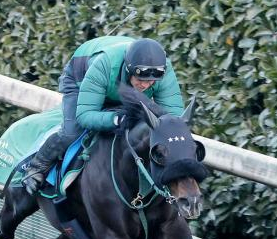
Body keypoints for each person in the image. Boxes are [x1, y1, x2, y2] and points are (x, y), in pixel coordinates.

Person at [21, 36, 184, 195]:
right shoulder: (105, 64)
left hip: (118, 88)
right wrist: (116, 119)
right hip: (81, 79)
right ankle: (37, 166)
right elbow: (85, 115)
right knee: (72, 132)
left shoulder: (163, 70)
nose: (146, 85)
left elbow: (173, 121)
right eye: (140, 79)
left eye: (151, 82)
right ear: (128, 69)